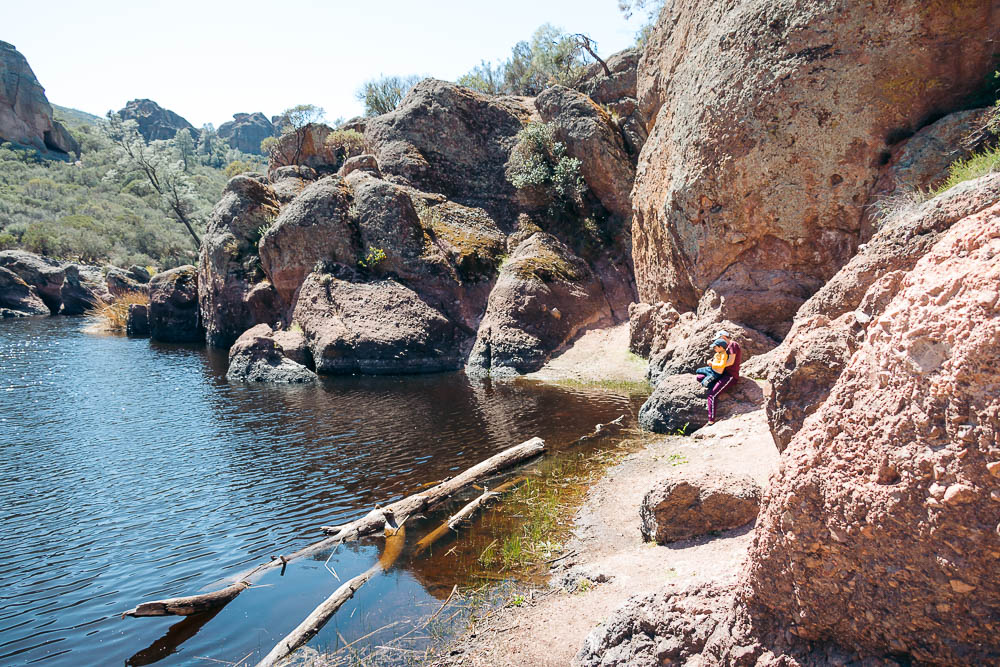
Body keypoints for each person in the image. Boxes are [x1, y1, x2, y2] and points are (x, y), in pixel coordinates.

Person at [706, 329, 742, 424]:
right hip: (721, 373)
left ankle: (711, 420)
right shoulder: (724, 348)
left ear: (724, 337)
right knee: (700, 376)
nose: (716, 341)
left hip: (730, 375)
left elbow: (730, 362)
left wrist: (713, 364)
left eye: (718, 338)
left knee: (712, 395)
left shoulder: (732, 345)